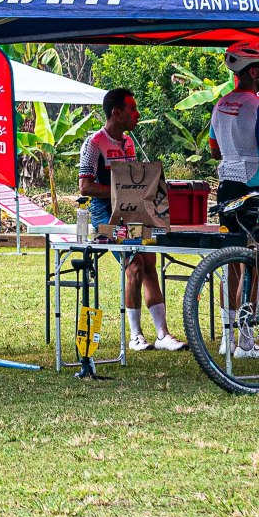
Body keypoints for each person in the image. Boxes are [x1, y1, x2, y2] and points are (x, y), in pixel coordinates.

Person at [77, 87, 184, 353]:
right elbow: (85, 187)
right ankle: (136, 336)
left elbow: (133, 181)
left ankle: (162, 334)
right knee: (133, 265)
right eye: (132, 109)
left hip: (132, 211)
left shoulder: (129, 143)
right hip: (106, 216)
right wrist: (120, 191)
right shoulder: (93, 144)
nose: (137, 114)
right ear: (117, 113)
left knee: (149, 263)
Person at [208, 41, 259, 360]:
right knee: (254, 264)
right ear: (254, 72)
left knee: (231, 263)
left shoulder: (220, 104)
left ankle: (228, 337)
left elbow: (215, 150)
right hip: (254, 192)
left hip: (226, 188)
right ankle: (245, 341)